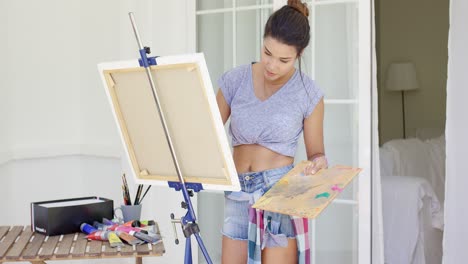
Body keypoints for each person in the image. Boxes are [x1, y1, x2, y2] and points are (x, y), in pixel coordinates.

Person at [216, 0, 327, 263]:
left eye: (284, 60)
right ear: (262, 41)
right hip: (238, 191)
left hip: (280, 194)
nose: (272, 65)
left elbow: (317, 153)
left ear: (299, 55)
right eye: (267, 53)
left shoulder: (308, 93)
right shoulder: (235, 80)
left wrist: (319, 163)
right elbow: (207, 133)